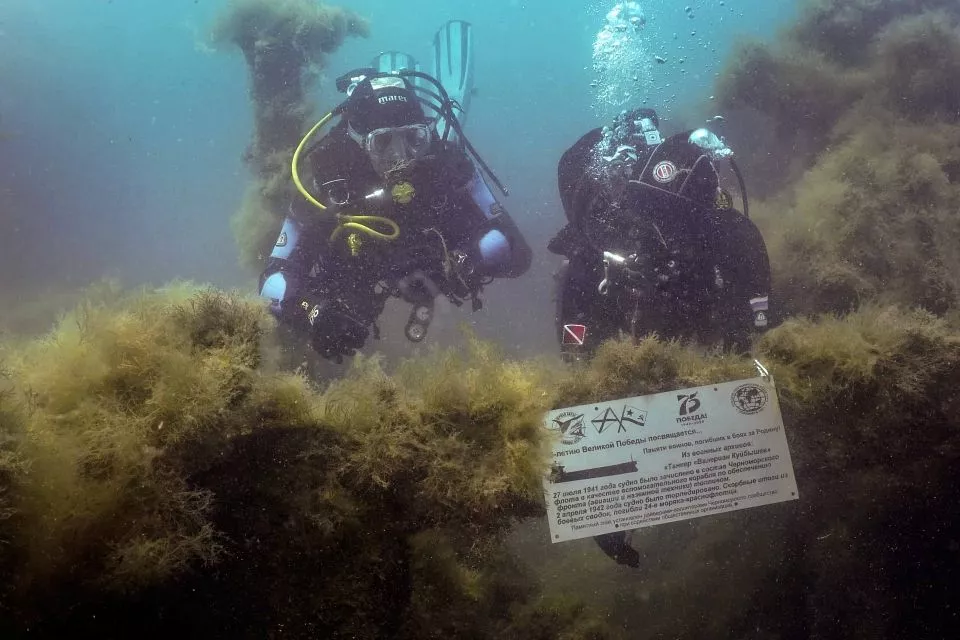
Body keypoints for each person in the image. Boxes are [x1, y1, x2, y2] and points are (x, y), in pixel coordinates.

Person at [548, 108, 772, 568]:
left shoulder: (720, 232)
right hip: (659, 364)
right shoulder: (589, 269)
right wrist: (603, 508)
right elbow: (585, 385)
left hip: (708, 364)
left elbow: (757, 329)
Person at [258, 22, 531, 362]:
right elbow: (272, 279)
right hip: (361, 274)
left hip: (432, 261)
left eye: (414, 138)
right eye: (383, 142)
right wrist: (314, 312)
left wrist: (470, 258)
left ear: (426, 136)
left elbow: (515, 249)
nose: (401, 158)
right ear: (360, 144)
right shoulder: (330, 184)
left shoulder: (446, 168)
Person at [549, 107, 772, 363]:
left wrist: (746, 334)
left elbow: (752, 312)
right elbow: (579, 349)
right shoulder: (594, 256)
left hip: (691, 313)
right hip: (630, 312)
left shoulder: (722, 232)